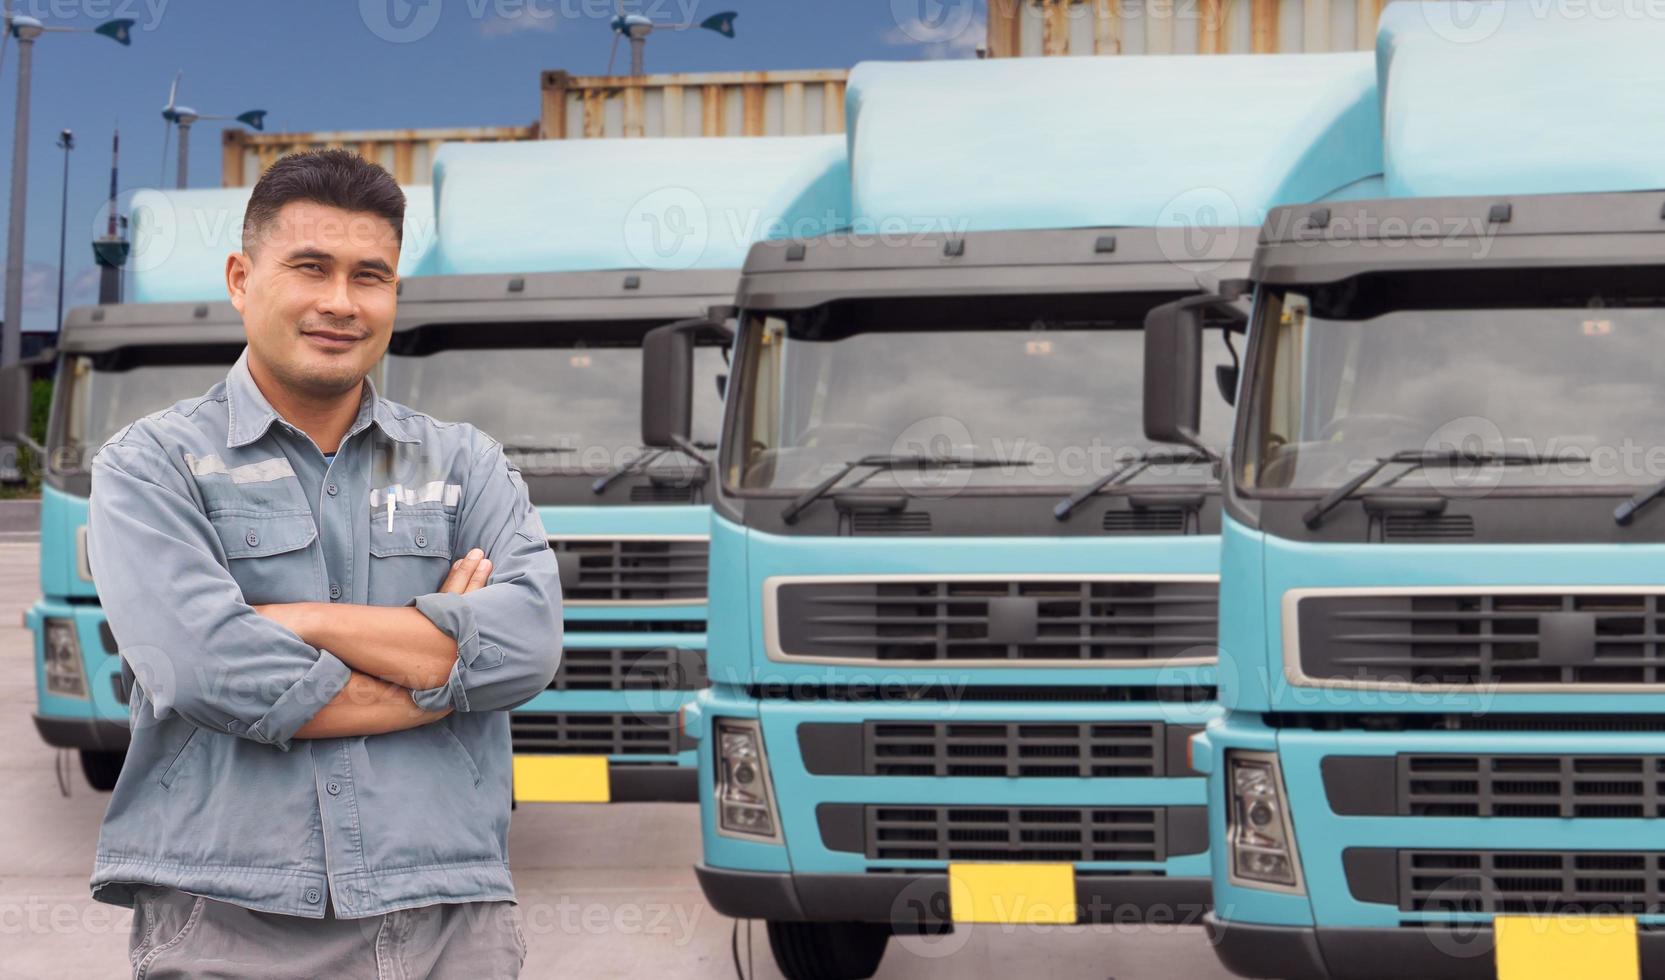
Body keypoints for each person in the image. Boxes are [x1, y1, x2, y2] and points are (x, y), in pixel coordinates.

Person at [86, 149, 562, 978]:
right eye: (311, 267)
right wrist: (441, 672)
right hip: (228, 916)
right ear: (241, 278)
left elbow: (524, 646)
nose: (340, 302)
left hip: (450, 916)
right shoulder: (151, 465)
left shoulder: (464, 465)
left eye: (368, 275)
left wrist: (298, 621)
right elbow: (207, 669)